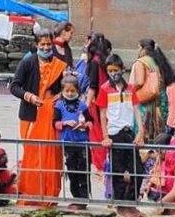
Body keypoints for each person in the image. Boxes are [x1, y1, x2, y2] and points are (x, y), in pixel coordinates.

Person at [10, 27, 66, 206]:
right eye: (43, 44)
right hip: (30, 116)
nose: (46, 47)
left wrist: (61, 94)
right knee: (32, 156)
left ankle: (49, 196)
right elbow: (14, 86)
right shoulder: (28, 62)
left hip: (50, 116)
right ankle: (32, 194)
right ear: (36, 45)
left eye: (49, 44)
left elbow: (68, 88)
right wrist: (30, 96)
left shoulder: (60, 64)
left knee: (51, 155)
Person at [98, 53, 141, 216]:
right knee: (118, 171)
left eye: (116, 70)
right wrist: (105, 136)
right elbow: (102, 113)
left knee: (138, 169)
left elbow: (137, 111)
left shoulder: (130, 89)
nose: (113, 73)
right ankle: (121, 205)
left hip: (129, 133)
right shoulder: (104, 89)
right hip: (114, 133)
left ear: (122, 69)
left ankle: (131, 202)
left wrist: (140, 133)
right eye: (110, 70)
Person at [54, 74, 92, 209]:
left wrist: (84, 125)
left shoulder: (82, 106)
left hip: (82, 143)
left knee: (83, 170)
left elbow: (91, 122)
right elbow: (55, 123)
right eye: (67, 91)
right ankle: (76, 197)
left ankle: (83, 198)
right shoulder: (59, 106)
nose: (70, 93)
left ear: (78, 91)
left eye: (72, 91)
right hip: (68, 143)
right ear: (63, 91)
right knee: (72, 171)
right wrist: (65, 123)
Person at [132, 38, 175, 144]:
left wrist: (131, 90)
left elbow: (139, 81)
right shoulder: (158, 62)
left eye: (138, 48)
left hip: (146, 103)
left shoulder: (141, 62)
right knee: (157, 138)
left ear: (143, 48)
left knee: (143, 136)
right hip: (159, 104)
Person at [85, 31, 112, 172]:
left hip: (98, 102)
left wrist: (85, 106)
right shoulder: (107, 60)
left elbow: (92, 86)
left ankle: (101, 165)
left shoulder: (94, 62)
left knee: (97, 134)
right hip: (109, 100)